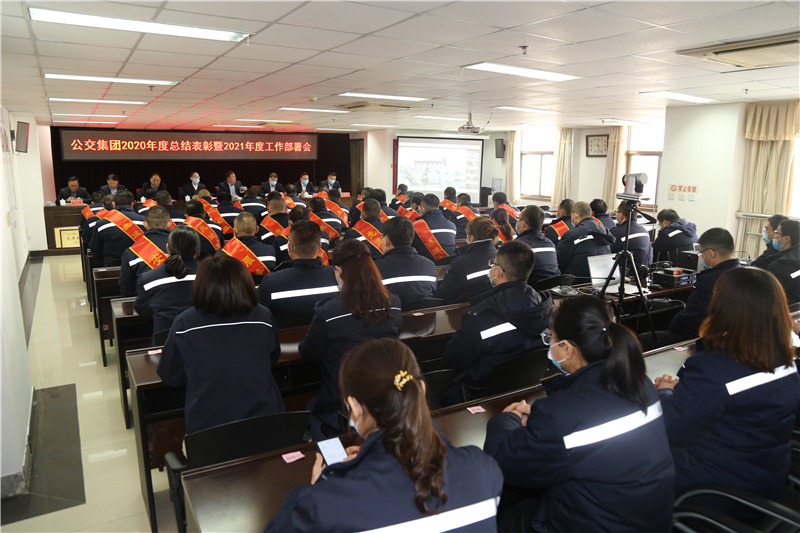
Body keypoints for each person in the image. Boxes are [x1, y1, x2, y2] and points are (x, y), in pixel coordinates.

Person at [266, 339, 504, 533]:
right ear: (421, 390)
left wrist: (318, 488)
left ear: (354, 406)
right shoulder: (484, 468)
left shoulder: (323, 504)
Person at [484, 295, 674, 533]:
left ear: (567, 348)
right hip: (650, 521)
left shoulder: (560, 415)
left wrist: (508, 419)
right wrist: (546, 422)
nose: (550, 344)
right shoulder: (641, 384)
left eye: (551, 337)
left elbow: (506, 463)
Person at [655, 267, 800, 518]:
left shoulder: (715, 367)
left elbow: (672, 428)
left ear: (724, 308)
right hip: (768, 482)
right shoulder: (785, 359)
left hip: (715, 491)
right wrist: (691, 391)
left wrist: (665, 392)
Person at [157, 254, 284, 434]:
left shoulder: (184, 323)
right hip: (266, 422)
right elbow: (273, 358)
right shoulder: (263, 316)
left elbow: (170, 376)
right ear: (245, 283)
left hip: (209, 430)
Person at [299, 239, 402, 439]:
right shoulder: (394, 303)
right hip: (383, 396)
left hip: (341, 402)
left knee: (310, 406)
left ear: (338, 271)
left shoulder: (328, 311)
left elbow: (309, 353)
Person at [441, 241, 553, 405]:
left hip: (482, 391)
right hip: (528, 385)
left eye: (492, 264)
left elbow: (454, 359)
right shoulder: (545, 305)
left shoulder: (481, 315)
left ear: (498, 271)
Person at [638, 227, 740, 351]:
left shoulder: (710, 280)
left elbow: (693, 317)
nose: (701, 257)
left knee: (642, 339)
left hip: (699, 336)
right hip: (727, 335)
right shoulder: (741, 273)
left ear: (711, 253)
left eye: (701, 253)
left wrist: (672, 326)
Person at [258, 221, 338, 327]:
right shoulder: (337, 277)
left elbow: (261, 320)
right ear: (320, 246)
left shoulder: (270, 282)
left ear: (289, 247)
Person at [134, 225, 200, 342]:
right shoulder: (212, 276)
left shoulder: (148, 279)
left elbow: (143, 310)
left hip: (164, 342)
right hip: (202, 339)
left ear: (168, 248)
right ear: (197, 251)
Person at [375, 216, 437, 307]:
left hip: (392, 315)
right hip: (425, 315)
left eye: (382, 237)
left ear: (387, 240)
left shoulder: (376, 268)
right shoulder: (430, 265)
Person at [436, 217, 498, 304]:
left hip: (468, 308)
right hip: (495, 305)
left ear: (471, 238)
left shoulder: (460, 263)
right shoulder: (501, 256)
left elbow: (444, 293)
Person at [555, 201, 615, 282]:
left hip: (579, 281)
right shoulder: (605, 230)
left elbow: (559, 260)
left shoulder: (571, 234)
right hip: (602, 279)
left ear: (575, 215)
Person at [118, 206, 172, 296]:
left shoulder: (131, 252)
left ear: (145, 224)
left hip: (147, 300)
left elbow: (126, 287)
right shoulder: (182, 246)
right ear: (169, 224)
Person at [89, 190, 146, 265]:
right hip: (138, 266)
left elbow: (95, 250)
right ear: (132, 204)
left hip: (111, 266)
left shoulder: (101, 224)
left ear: (113, 204)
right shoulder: (144, 222)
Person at [514, 205, 560, 285]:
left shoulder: (517, 245)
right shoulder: (550, 244)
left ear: (523, 223)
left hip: (532, 289)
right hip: (553, 287)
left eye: (518, 219)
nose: (517, 221)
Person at [411, 194, 457, 262]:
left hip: (426, 265)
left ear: (422, 209)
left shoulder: (415, 227)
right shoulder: (452, 226)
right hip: (448, 265)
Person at [764, 218, 800, 304]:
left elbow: (764, 293)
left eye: (777, 233)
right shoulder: (795, 259)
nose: (774, 236)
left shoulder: (778, 266)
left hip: (780, 307)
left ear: (786, 239)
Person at [610, 200, 651, 270]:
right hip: (642, 272)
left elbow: (608, 253)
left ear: (621, 215)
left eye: (617, 212)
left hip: (625, 273)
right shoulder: (645, 231)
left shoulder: (616, 233)